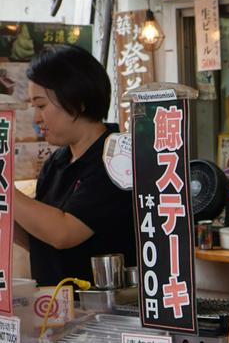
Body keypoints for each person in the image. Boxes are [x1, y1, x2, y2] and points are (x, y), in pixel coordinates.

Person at [13, 44, 136, 287]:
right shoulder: (56, 162)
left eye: (41, 105)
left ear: (77, 101)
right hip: (54, 308)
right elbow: (41, 237)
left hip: (103, 311)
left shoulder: (117, 159)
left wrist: (4, 188)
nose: (36, 118)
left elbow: (63, 232)